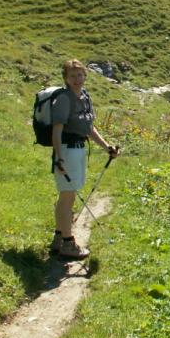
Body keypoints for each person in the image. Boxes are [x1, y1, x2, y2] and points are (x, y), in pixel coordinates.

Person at [50, 59, 118, 258]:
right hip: (67, 151)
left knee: (68, 196)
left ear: (85, 76)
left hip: (79, 150)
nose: (77, 79)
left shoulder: (85, 97)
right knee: (67, 197)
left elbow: (89, 128)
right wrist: (59, 158)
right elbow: (57, 130)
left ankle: (58, 238)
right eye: (72, 76)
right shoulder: (64, 99)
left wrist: (107, 147)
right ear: (66, 79)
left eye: (80, 75)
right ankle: (68, 244)